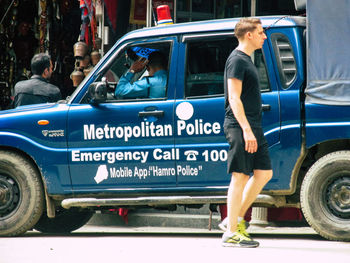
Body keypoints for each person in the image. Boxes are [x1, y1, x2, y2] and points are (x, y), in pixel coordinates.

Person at [221, 18, 273, 248]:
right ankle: (231, 233)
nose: (264, 36)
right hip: (240, 126)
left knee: (264, 173)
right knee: (240, 176)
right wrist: (246, 130)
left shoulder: (247, 60)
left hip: (252, 125)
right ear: (249, 35)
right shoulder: (236, 60)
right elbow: (234, 97)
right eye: (261, 32)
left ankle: (233, 220)